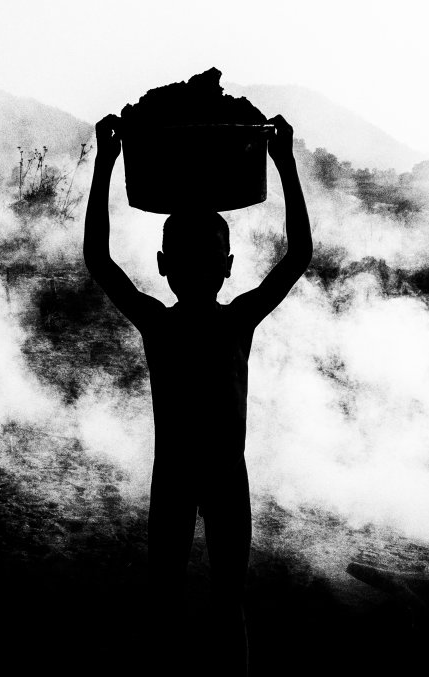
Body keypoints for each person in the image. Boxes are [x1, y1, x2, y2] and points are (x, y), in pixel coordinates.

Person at [83, 113, 312, 674]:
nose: (198, 264)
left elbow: (100, 260)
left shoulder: (195, 322)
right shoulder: (206, 322)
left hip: (212, 479)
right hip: (188, 478)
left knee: (219, 600)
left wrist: (284, 162)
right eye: (189, 255)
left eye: (205, 254)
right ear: (165, 266)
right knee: (183, 599)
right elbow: (297, 256)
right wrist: (284, 164)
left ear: (227, 265)